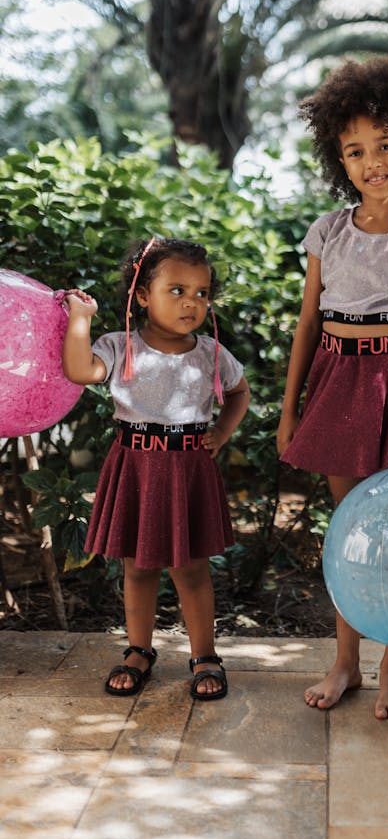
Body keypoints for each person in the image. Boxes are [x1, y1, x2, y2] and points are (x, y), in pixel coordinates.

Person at [277, 55, 388, 720]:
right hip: (336, 378)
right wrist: (291, 409)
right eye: (355, 151)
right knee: (350, 529)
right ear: (338, 160)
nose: (372, 161)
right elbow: (306, 322)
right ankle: (346, 659)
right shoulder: (328, 230)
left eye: (385, 145)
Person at [63, 237, 250, 700]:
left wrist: (222, 432)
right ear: (143, 296)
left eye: (202, 293)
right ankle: (139, 651)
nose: (192, 302)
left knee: (191, 569)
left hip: (189, 468)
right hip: (136, 466)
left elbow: (240, 392)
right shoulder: (120, 345)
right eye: (177, 290)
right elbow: (79, 371)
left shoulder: (210, 353)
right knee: (139, 567)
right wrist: (80, 321)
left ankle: (205, 656)